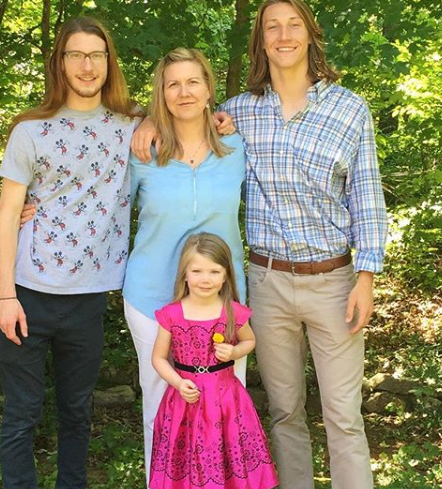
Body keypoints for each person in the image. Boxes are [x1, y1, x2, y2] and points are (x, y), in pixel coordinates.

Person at [132, 1, 388, 488]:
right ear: (261, 40)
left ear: (310, 35)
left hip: (333, 280)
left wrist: (366, 277)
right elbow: (183, 108)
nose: (284, 35)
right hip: (265, 284)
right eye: (272, 26)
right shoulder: (240, 113)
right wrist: (145, 118)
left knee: (343, 414)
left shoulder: (349, 108)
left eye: (294, 25)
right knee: (284, 412)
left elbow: (367, 197)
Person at [0, 17, 138, 489]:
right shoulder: (30, 131)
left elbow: (190, 112)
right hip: (28, 296)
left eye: (96, 54)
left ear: (109, 62)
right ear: (60, 62)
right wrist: (5, 295)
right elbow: (7, 213)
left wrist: (224, 117)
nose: (87, 64)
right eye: (75, 54)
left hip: (88, 299)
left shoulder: (132, 127)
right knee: (22, 414)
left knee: (77, 413)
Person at [122, 48, 248, 482]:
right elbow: (103, 208)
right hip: (152, 299)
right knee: (161, 407)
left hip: (223, 306)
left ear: (210, 90)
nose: (184, 92)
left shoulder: (237, 148)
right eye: (172, 84)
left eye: (193, 81)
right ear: (161, 93)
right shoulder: (142, 150)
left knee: (224, 411)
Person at [150, 232, 278, 489]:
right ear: (184, 274)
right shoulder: (171, 314)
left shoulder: (233, 312)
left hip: (227, 400)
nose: (205, 279)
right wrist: (177, 382)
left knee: (226, 454)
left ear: (225, 275)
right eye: (196, 271)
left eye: (214, 272)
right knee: (186, 460)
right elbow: (159, 358)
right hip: (185, 400)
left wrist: (233, 353)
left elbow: (249, 341)